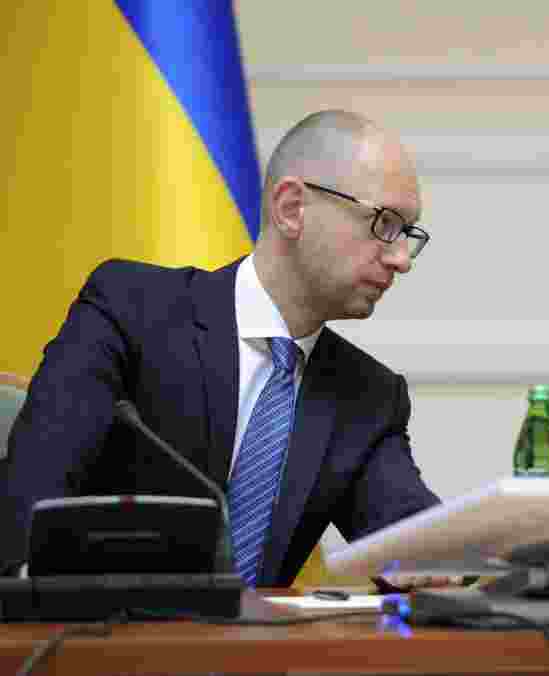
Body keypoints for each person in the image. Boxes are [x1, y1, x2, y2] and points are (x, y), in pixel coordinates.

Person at [1, 110, 443, 587]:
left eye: (408, 235)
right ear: (292, 208)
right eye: (384, 223)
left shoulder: (369, 396)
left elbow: (416, 546)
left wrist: (513, 538)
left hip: (259, 658)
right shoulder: (132, 312)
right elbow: (30, 507)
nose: (401, 259)